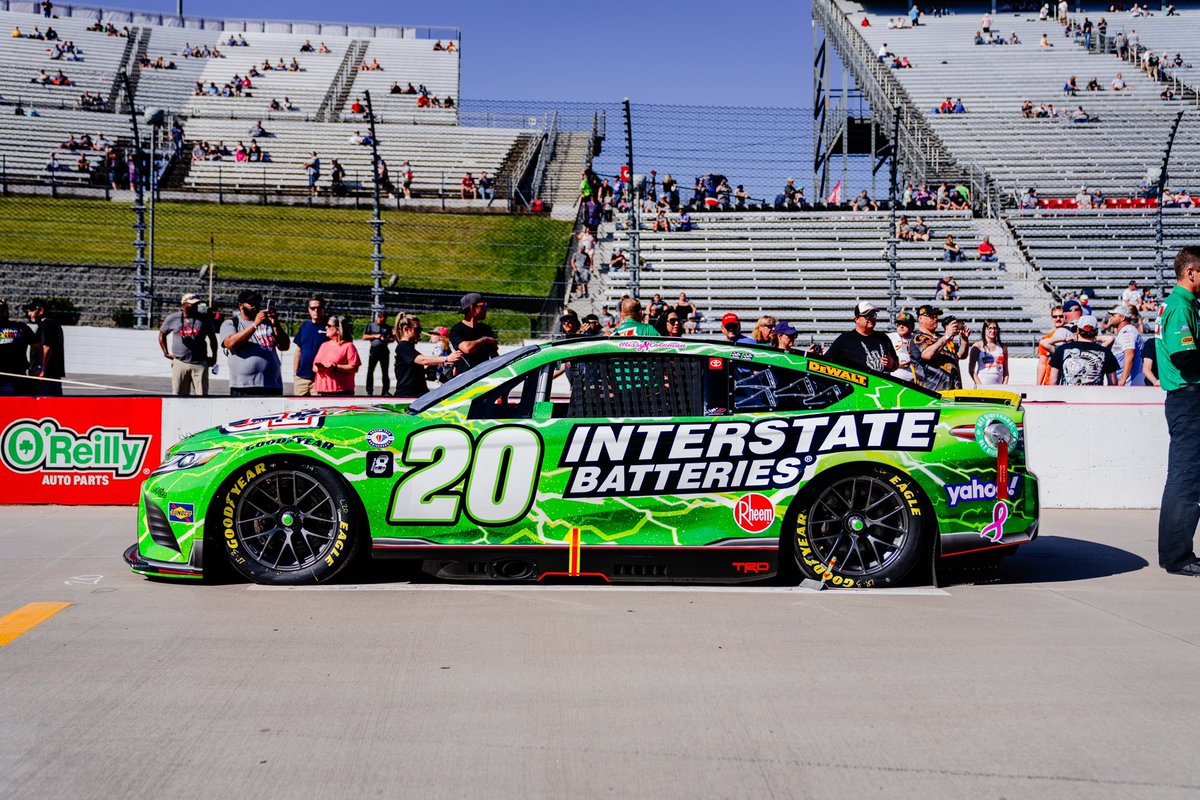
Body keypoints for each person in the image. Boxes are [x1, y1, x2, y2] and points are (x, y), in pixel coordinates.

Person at [219, 289, 290, 396]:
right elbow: (231, 343)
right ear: (241, 305)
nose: (255, 306)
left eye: (257, 303)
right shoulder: (231, 323)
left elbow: (284, 346)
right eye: (251, 303)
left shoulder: (268, 323)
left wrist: (276, 324)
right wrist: (255, 324)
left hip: (272, 384)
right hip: (244, 385)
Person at [158, 293, 217, 396]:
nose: (195, 306)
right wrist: (165, 352)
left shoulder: (204, 319)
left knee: (202, 396)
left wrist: (214, 356)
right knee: (178, 396)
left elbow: (212, 338)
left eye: (197, 304)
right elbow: (162, 334)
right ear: (184, 304)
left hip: (200, 363)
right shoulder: (173, 318)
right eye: (192, 304)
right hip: (180, 362)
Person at [392, 314, 461, 397]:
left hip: (418, 393)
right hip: (408, 394)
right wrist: (447, 358)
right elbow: (423, 360)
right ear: (406, 329)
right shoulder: (403, 346)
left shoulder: (409, 347)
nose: (420, 332)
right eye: (417, 329)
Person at [824, 302, 898, 372]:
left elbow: (896, 364)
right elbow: (827, 362)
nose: (871, 318)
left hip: (881, 384)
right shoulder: (845, 339)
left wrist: (892, 364)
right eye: (867, 315)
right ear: (857, 319)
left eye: (873, 315)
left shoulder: (883, 338)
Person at [910, 305, 969, 390]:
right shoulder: (917, 338)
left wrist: (964, 340)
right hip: (932, 392)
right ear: (920, 319)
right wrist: (946, 336)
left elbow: (960, 356)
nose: (935, 318)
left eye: (936, 316)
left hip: (953, 390)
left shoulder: (941, 338)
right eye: (931, 316)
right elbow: (927, 354)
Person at [1048, 315, 1118, 385]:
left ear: (1078, 330)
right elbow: (1113, 383)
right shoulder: (1106, 352)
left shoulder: (1062, 349)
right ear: (1096, 331)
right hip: (1094, 395)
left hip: (1068, 395)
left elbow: (1053, 380)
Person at [21, 298, 64, 396]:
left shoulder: (46, 324)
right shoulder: (51, 323)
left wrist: (41, 369)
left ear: (40, 311)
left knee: (45, 403)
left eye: (31, 311)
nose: (29, 314)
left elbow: (46, 347)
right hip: (51, 375)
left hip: (46, 376)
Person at [449, 292, 498, 376]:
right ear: (472, 308)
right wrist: (484, 339)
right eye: (483, 306)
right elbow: (467, 349)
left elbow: (494, 355)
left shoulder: (485, 329)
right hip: (464, 379)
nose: (485, 309)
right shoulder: (457, 329)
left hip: (484, 377)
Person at [312, 315, 360, 396]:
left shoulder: (348, 346)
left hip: (341, 392)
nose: (326, 327)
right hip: (322, 391)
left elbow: (354, 368)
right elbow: (314, 365)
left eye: (329, 325)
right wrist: (319, 367)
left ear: (338, 329)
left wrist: (335, 367)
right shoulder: (324, 345)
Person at [0, 298, 38, 396]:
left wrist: (37, 366)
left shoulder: (20, 327)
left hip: (16, 380)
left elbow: (38, 346)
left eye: (3, 310)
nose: (2, 313)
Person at [292, 294, 328, 396]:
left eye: (319, 308)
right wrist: (295, 373)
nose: (316, 311)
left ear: (323, 309)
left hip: (320, 378)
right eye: (313, 308)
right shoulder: (304, 326)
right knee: (298, 409)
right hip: (301, 378)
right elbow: (298, 350)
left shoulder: (329, 328)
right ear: (309, 309)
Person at [1107, 303, 1145, 385]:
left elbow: (1129, 355)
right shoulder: (1126, 331)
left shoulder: (1127, 331)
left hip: (1129, 383)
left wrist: (1122, 380)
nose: (1111, 318)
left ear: (1122, 317)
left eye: (1114, 315)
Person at [362, 310, 394, 396]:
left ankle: (385, 391)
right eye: (381, 319)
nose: (382, 321)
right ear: (378, 317)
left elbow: (392, 339)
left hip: (384, 351)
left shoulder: (387, 327)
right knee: (370, 370)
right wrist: (375, 336)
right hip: (374, 350)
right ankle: (369, 390)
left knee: (385, 372)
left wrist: (386, 339)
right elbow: (364, 336)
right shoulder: (371, 325)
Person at [1036, 304, 1069, 384]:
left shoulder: (1071, 335)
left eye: (1061, 316)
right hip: (1049, 381)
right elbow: (1042, 363)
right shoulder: (1046, 338)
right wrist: (1038, 384)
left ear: (1065, 317)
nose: (1058, 319)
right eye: (1055, 317)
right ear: (1051, 318)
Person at [969, 320, 1009, 386]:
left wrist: (1004, 385)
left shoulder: (1003, 348)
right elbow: (971, 370)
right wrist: (980, 385)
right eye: (990, 328)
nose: (993, 331)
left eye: (995, 328)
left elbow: (1006, 371)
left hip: (999, 387)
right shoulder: (977, 346)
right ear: (985, 329)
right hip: (982, 386)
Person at [888, 311, 916, 380]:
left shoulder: (917, 339)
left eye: (905, 324)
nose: (901, 326)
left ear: (912, 326)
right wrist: (896, 364)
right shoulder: (889, 338)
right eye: (899, 324)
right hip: (895, 378)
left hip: (914, 379)